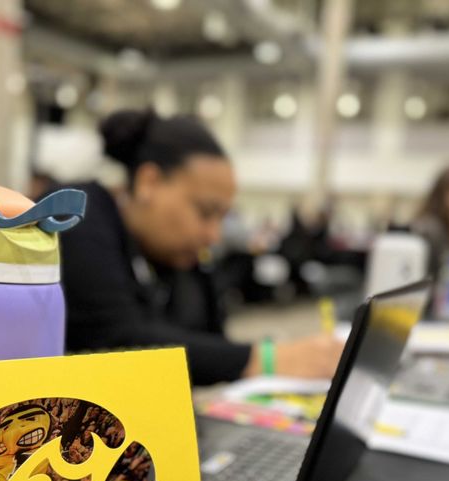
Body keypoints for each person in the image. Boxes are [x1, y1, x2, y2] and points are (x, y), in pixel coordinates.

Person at [57, 109, 343, 386]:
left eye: (222, 218)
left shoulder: (173, 256)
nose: (213, 235)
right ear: (149, 182)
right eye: (206, 213)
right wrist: (264, 359)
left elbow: (209, 339)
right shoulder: (75, 213)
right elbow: (116, 340)